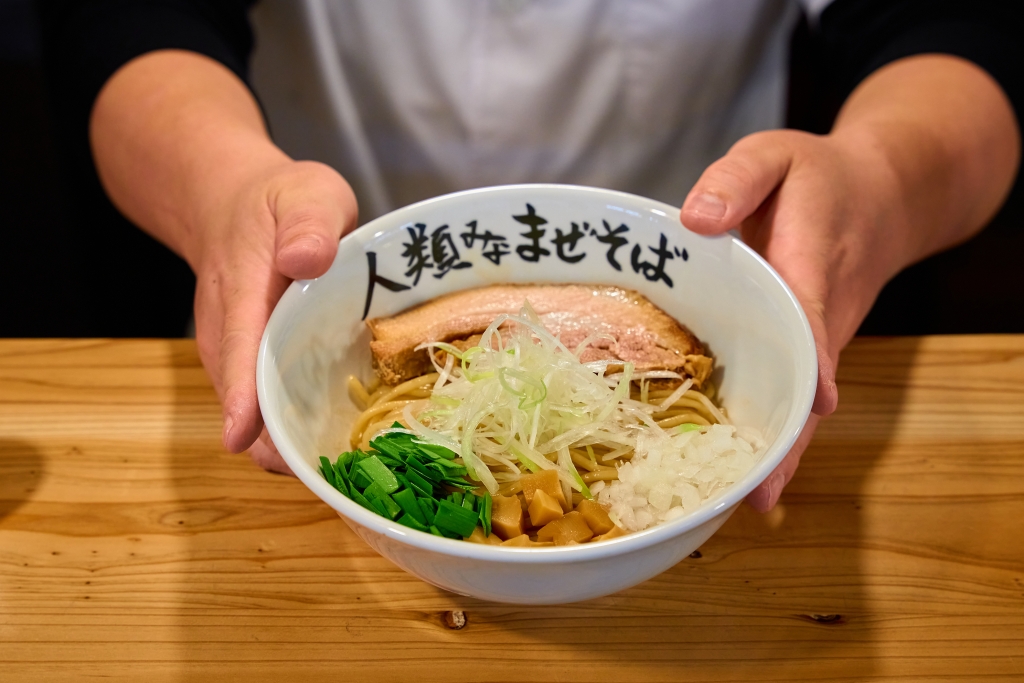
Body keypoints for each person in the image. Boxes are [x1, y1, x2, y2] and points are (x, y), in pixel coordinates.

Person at [38, 0, 1021, 511]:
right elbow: (122, 17)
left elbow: (959, 28)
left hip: (706, 255)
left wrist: (877, 177)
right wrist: (221, 188)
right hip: (323, 263)